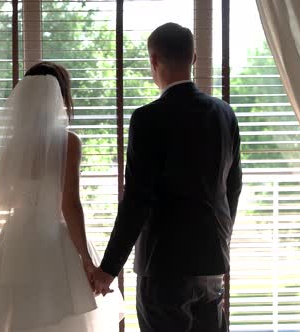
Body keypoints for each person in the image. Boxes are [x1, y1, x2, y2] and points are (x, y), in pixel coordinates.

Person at [92, 23, 243, 332]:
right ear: (194, 58)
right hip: (211, 262)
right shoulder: (224, 113)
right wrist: (220, 239)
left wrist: (108, 269)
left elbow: (137, 200)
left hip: (163, 266)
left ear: (154, 61)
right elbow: (233, 186)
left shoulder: (147, 118)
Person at [0, 62, 123, 332]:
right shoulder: (68, 142)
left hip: (15, 243)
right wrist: (85, 258)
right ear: (60, 98)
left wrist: (30, 200)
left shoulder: (14, 146)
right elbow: (70, 204)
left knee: (19, 317)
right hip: (55, 243)